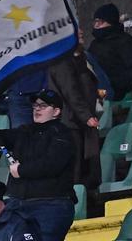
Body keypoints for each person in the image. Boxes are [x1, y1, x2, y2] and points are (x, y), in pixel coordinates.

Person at [0, 89, 76, 241]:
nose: (37, 108)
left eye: (43, 105)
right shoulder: (24, 131)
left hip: (51, 204)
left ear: (56, 111)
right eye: (35, 105)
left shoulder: (63, 133)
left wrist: (21, 170)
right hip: (19, 204)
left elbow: (52, 164)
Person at [46, 51, 101, 189]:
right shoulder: (61, 60)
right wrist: (86, 115)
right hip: (71, 122)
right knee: (76, 170)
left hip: (80, 121)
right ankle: (79, 204)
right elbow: (70, 90)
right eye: (75, 30)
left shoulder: (80, 57)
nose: (81, 32)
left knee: (86, 169)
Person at [88, 3, 132, 101]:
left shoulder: (126, 42)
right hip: (98, 92)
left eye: (101, 21)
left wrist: (110, 81)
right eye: (95, 21)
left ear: (111, 22)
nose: (96, 25)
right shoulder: (95, 44)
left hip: (118, 94)